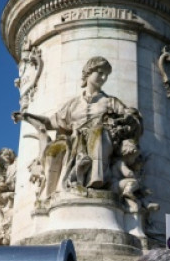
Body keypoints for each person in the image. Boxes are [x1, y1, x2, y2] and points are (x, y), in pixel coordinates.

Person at [14, 56, 139, 191]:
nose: (103, 78)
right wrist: (28, 116)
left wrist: (130, 119)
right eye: (100, 73)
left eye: (106, 75)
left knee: (98, 132)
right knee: (54, 149)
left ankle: (96, 180)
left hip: (100, 138)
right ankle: (51, 195)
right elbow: (50, 122)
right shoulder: (74, 104)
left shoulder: (111, 102)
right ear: (88, 72)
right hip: (75, 141)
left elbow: (132, 119)